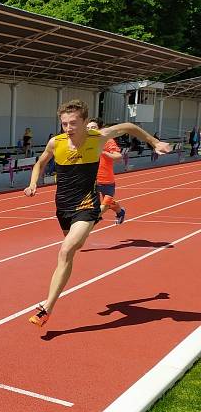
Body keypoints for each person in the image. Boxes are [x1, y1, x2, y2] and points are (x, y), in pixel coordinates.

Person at [23, 99, 171, 327]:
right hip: (63, 206)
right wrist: (33, 183)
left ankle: (46, 308)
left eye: (73, 123)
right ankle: (95, 221)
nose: (68, 128)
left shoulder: (99, 137)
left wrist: (154, 142)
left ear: (85, 122)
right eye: (64, 124)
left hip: (86, 204)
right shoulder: (56, 142)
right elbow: (40, 163)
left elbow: (128, 127)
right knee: (70, 253)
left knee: (65, 252)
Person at [86, 118, 126, 224]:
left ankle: (99, 216)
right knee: (100, 206)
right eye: (88, 128)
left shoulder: (107, 141)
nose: (90, 130)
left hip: (107, 181)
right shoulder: (86, 142)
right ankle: (120, 212)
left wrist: (103, 152)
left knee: (105, 205)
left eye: (93, 127)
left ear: (100, 129)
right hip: (91, 180)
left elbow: (118, 156)